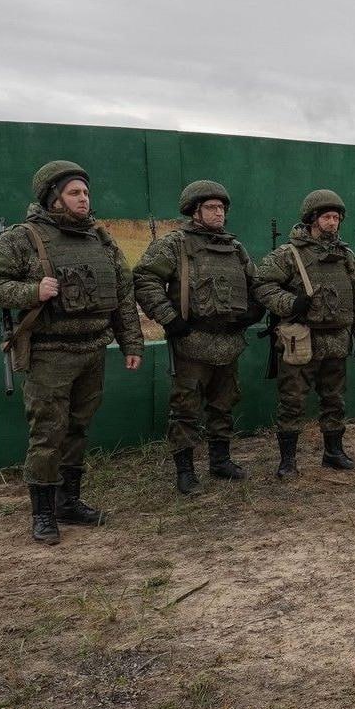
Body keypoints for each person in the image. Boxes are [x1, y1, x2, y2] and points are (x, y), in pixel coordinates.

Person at [0, 161, 144, 544]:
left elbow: (122, 295)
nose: (83, 198)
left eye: (86, 192)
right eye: (75, 192)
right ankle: (43, 513)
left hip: (93, 349)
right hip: (49, 353)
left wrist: (131, 343)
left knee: (77, 428)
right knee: (47, 434)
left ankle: (68, 501)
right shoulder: (23, 238)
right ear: (53, 196)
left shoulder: (100, 238)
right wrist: (30, 292)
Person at [133, 180, 263, 494]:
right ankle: (186, 471)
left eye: (221, 208)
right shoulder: (175, 244)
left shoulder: (234, 247)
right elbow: (145, 278)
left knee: (224, 403)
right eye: (211, 207)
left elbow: (255, 282)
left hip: (229, 340)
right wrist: (169, 318)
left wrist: (255, 310)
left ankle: (220, 461)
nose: (218, 213)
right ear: (195, 210)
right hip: (191, 341)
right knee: (185, 408)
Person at [254, 190, 355, 479]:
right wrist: (290, 303)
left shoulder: (346, 256)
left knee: (334, 399)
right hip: (300, 339)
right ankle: (288, 461)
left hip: (336, 339)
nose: (333, 223)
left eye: (336, 218)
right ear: (312, 219)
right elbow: (262, 285)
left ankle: (333, 452)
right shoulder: (289, 254)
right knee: (292, 400)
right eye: (327, 217)